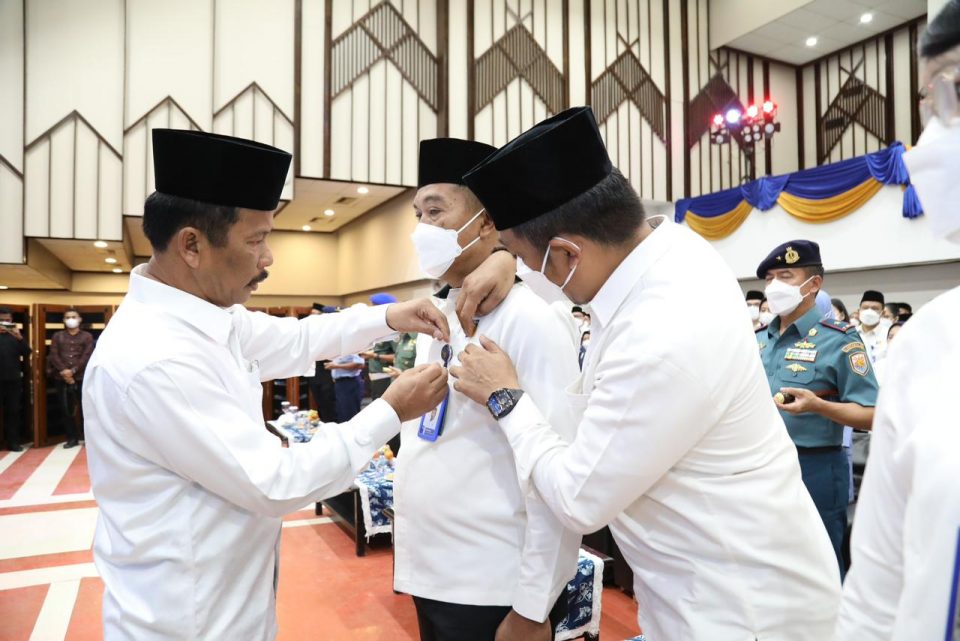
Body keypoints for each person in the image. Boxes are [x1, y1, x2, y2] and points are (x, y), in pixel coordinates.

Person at [452, 106, 841, 639]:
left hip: (739, 609)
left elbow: (579, 499)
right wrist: (506, 254)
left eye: (519, 258)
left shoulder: (661, 333)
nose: (517, 272)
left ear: (566, 252)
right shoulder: (669, 249)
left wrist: (505, 398)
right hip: (699, 587)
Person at [82, 129, 453, 641]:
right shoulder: (155, 357)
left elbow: (298, 338)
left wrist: (389, 319)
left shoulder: (212, 318)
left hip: (234, 606)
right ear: (191, 244)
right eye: (255, 240)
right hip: (185, 622)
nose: (268, 258)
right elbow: (274, 482)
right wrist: (390, 410)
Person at [394, 137, 581, 641]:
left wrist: (533, 606)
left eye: (435, 211)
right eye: (416, 214)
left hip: (495, 584)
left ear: (487, 224)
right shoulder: (439, 313)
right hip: (436, 572)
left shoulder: (530, 320)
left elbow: (559, 473)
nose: (421, 229)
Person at [837, 4, 960, 628]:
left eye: (958, 92)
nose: (937, 134)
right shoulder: (933, 344)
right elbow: (878, 588)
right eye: (929, 102)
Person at [754, 241, 879, 577]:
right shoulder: (758, 340)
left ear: (813, 285)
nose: (773, 286)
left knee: (819, 566)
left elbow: (873, 414)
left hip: (816, 467)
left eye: (785, 275)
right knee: (767, 563)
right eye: (769, 278)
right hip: (760, 466)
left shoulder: (839, 341)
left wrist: (820, 406)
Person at [49, 308, 94, 448]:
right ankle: (72, 438)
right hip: (61, 377)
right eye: (68, 317)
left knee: (85, 409)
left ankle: (88, 438)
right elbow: (53, 355)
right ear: (63, 320)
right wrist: (64, 371)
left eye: (74, 316)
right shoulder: (57, 336)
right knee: (65, 409)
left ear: (80, 319)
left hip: (81, 377)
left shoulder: (87, 336)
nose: (71, 319)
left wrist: (73, 371)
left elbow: (87, 356)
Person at [0, 308, 31, 451]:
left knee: (13, 412)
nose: (5, 323)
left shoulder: (16, 336)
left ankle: (13, 442)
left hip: (13, 380)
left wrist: (19, 337)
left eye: (8, 320)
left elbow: (27, 352)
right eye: (2, 320)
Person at [362, 293, 400, 401]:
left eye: (373, 306)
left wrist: (375, 356)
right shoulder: (379, 328)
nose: (370, 309)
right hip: (375, 377)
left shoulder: (391, 330)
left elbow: (396, 356)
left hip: (386, 377)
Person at [306, 303, 338, 422]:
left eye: (316, 314)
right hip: (314, 374)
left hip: (327, 373)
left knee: (329, 404)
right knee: (319, 404)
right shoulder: (310, 332)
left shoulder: (328, 332)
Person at [325, 352, 365, 421]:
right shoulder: (339, 349)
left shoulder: (351, 348)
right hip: (340, 383)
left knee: (349, 414)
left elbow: (359, 364)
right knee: (342, 413)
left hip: (349, 382)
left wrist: (336, 366)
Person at [857, 290, 889, 364]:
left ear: (883, 313)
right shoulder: (850, 333)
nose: (869, 311)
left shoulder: (888, 335)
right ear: (859, 310)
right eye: (865, 308)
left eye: (874, 308)